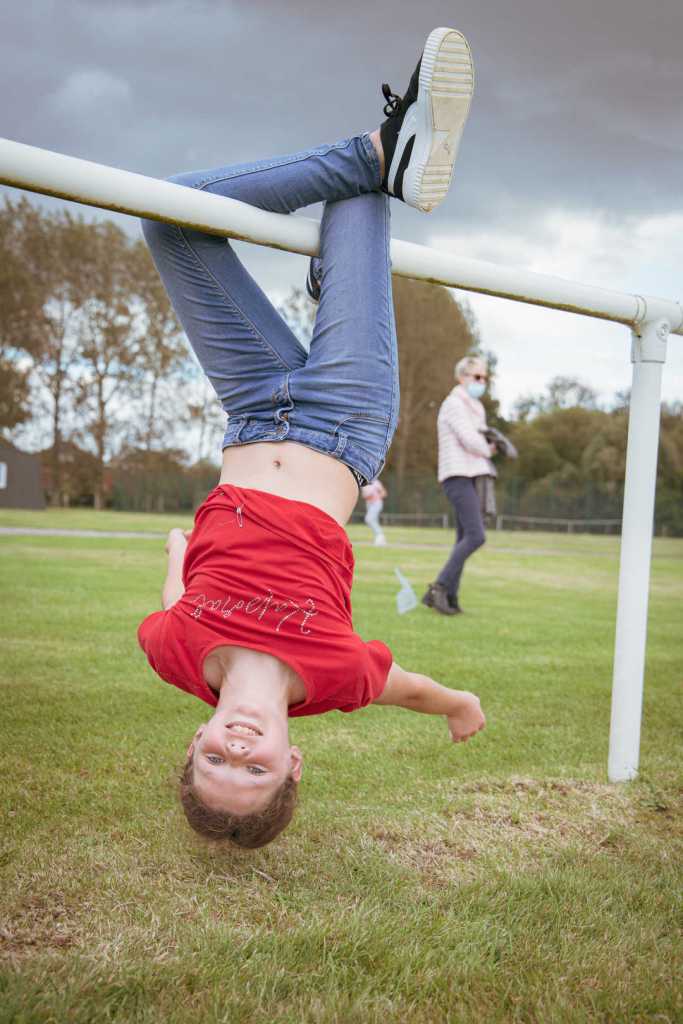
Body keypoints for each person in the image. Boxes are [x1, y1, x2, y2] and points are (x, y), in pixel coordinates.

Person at [137, 27, 485, 850]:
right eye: (254, 770)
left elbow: (173, 595)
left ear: (192, 744)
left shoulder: (174, 656)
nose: (237, 749)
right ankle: (369, 183)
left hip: (251, 404)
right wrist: (459, 705)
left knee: (170, 220)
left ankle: (380, 149)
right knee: (360, 206)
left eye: (215, 761)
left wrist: (180, 554)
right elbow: (410, 687)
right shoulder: (337, 678)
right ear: (293, 764)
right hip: (344, 420)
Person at [422, 355, 496, 616]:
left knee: (463, 537)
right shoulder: (454, 403)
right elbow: (470, 439)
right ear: (461, 377)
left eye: (485, 377)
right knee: (476, 536)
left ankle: (450, 597)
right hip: (456, 474)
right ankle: (438, 588)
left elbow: (479, 435)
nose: (482, 381)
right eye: (477, 376)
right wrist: (488, 448)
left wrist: (490, 441)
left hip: (471, 474)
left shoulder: (475, 406)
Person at [361, 478, 388, 545]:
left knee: (369, 519)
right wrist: (368, 496)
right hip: (369, 504)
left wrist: (376, 497)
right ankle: (379, 538)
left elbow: (384, 493)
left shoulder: (376, 482)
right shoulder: (364, 483)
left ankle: (380, 535)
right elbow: (364, 496)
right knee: (374, 520)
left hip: (376, 503)